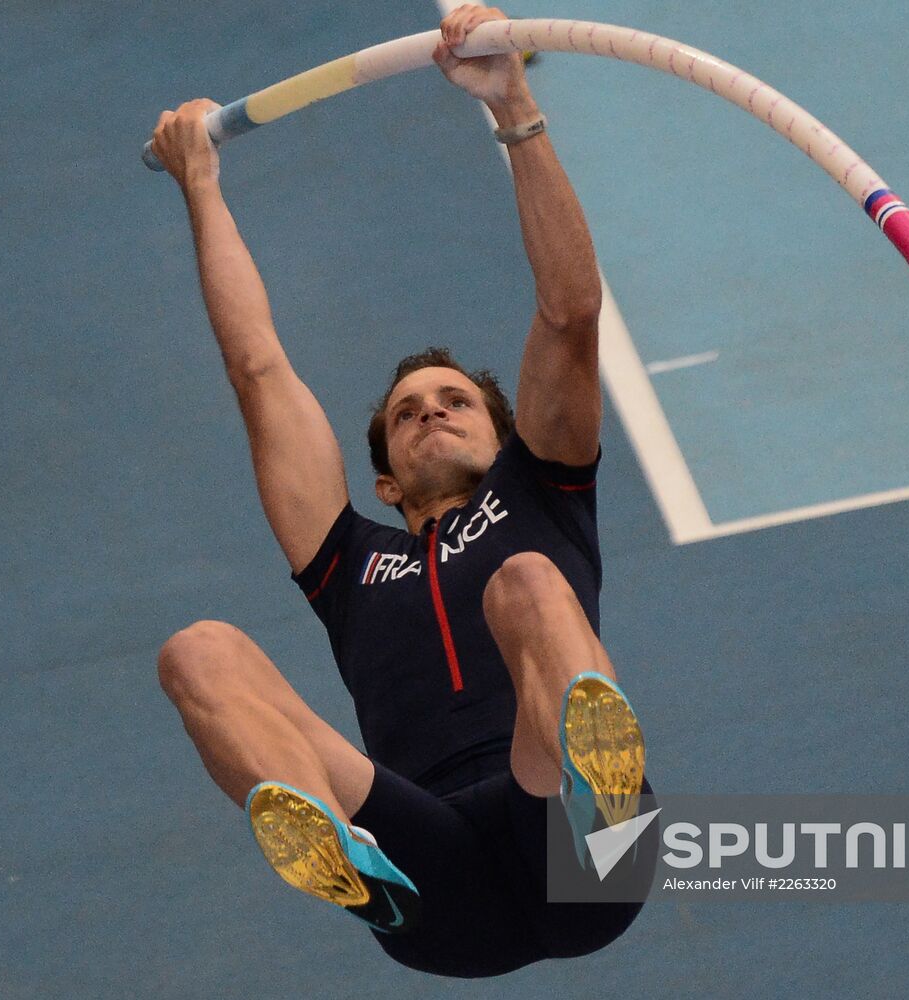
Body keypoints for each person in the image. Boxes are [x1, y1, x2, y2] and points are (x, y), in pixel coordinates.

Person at [150, 5, 654, 978]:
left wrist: (512, 101)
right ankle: (343, 858)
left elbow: (570, 309)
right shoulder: (350, 562)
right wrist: (202, 183)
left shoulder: (542, 496)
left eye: (455, 401)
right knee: (198, 652)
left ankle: (601, 793)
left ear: (507, 438)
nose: (430, 411)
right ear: (381, 474)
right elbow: (257, 368)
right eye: (409, 410)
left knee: (526, 585)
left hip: (578, 847)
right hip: (429, 879)